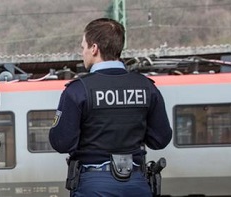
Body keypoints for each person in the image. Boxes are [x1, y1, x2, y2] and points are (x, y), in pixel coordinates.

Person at [48, 18, 172, 197]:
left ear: (94, 48)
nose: (82, 52)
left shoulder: (78, 90)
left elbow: (61, 142)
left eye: (83, 47)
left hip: (94, 184)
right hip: (136, 183)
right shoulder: (146, 87)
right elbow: (160, 139)